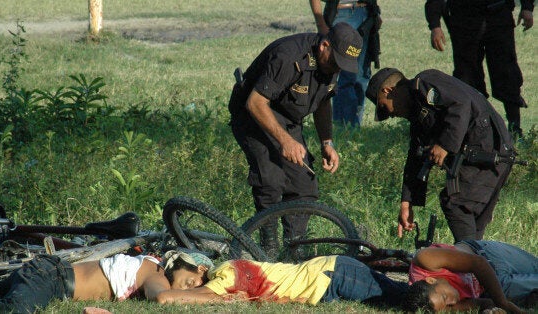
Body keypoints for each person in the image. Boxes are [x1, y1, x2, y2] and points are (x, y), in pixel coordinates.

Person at [229, 23, 362, 254]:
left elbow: (322, 101)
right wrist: (286, 141)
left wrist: (327, 142)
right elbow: (255, 103)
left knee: (304, 185)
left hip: (287, 117)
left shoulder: (331, 64)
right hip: (254, 112)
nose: (336, 69)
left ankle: (294, 248)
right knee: (271, 179)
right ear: (324, 46)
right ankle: (268, 248)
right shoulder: (288, 56)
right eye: (335, 62)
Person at [365, 68, 516, 243]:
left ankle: (471, 261)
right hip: (487, 153)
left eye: (384, 107)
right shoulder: (418, 111)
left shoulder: (426, 82)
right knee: (472, 222)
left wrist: (445, 145)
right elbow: (416, 156)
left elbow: (461, 103)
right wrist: (407, 202)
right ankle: (477, 263)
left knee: (457, 205)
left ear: (388, 91)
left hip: (489, 150)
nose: (390, 115)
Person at [0, 250, 213, 313]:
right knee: (14, 312)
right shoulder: (154, 272)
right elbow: (164, 299)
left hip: (46, 273)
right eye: (196, 280)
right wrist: (219, 297)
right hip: (51, 278)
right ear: (189, 264)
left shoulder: (151, 267)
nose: (193, 287)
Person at [424, 0, 534, 139]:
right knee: (468, 80)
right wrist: (435, 25)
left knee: (507, 74)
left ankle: (515, 129)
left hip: (499, 14)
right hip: (464, 19)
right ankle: (478, 131)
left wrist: (527, 7)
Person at [156, 254, 407, 307]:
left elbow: (166, 298)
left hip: (332, 276)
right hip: (329, 279)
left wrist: (170, 294)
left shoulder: (226, 272)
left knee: (408, 300)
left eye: (190, 282)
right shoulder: (223, 277)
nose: (196, 289)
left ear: (201, 269)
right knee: (398, 299)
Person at [403, 240, 537, 313]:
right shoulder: (444, 306)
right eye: (447, 306)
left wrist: (503, 303)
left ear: (431, 280)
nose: (452, 302)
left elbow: (478, 263)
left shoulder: (425, 259)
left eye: (445, 297)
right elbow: (487, 303)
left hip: (487, 254)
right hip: (496, 287)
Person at [309, 0, 382, 127]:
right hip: (342, 12)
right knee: (346, 76)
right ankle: (344, 127)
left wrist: (376, 11)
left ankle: (354, 125)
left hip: (366, 11)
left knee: (361, 77)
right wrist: (321, 23)